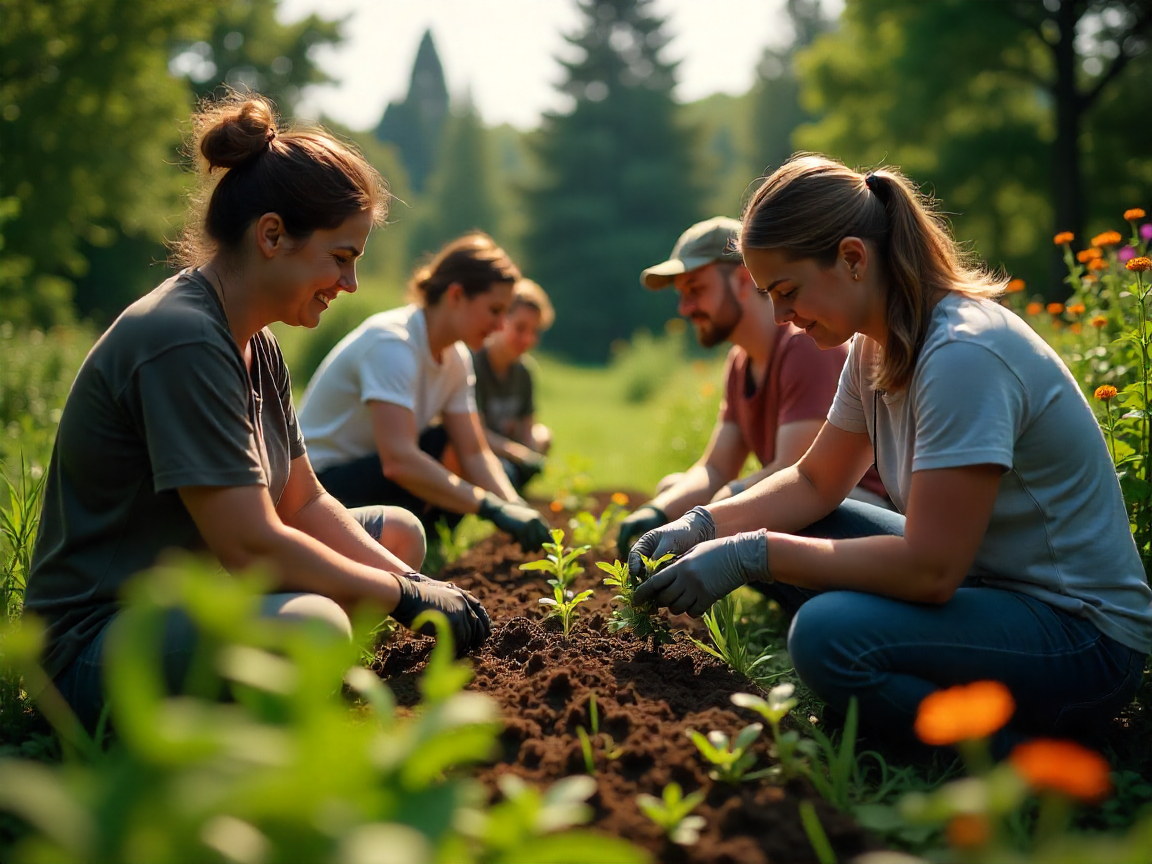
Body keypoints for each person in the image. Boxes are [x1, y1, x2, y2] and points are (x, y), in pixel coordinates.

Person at [631, 155, 1152, 753]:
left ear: (853, 259)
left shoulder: (963, 355)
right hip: (990, 589)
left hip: (1078, 634)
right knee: (804, 517)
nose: (781, 317)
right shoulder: (870, 348)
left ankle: (1025, 764)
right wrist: (701, 526)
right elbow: (813, 483)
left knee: (827, 637)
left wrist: (753, 555)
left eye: (787, 291)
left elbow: (930, 571)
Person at [24, 95, 491, 731]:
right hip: (96, 642)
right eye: (341, 258)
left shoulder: (256, 342)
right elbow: (249, 543)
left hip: (198, 596)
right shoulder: (181, 337)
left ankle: (285, 693)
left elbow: (302, 502)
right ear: (272, 235)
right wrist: (404, 595)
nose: (349, 285)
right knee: (316, 626)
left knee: (400, 535)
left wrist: (417, 582)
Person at [617, 217, 887, 555]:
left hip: (866, 514)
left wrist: (717, 509)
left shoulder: (805, 346)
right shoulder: (740, 363)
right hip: (811, 501)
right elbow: (715, 467)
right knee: (673, 491)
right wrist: (656, 513)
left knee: (725, 504)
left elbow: (796, 472)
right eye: (682, 295)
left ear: (743, 280)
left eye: (696, 290)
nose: (685, 309)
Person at [298, 233, 551, 551]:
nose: (501, 326)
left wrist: (515, 506)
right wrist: (490, 507)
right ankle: (407, 539)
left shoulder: (456, 358)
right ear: (456, 295)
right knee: (440, 446)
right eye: (495, 310)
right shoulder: (393, 343)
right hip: (318, 484)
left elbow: (473, 451)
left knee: (450, 442)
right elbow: (399, 460)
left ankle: (425, 540)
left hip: (373, 471)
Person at [471, 278, 554, 491]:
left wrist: (528, 454)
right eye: (520, 328)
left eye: (534, 332)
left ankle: (515, 488)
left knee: (543, 436)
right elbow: (474, 433)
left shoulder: (524, 371)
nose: (527, 339)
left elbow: (527, 429)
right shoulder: (474, 363)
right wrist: (519, 454)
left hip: (507, 450)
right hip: (476, 452)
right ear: (501, 320)